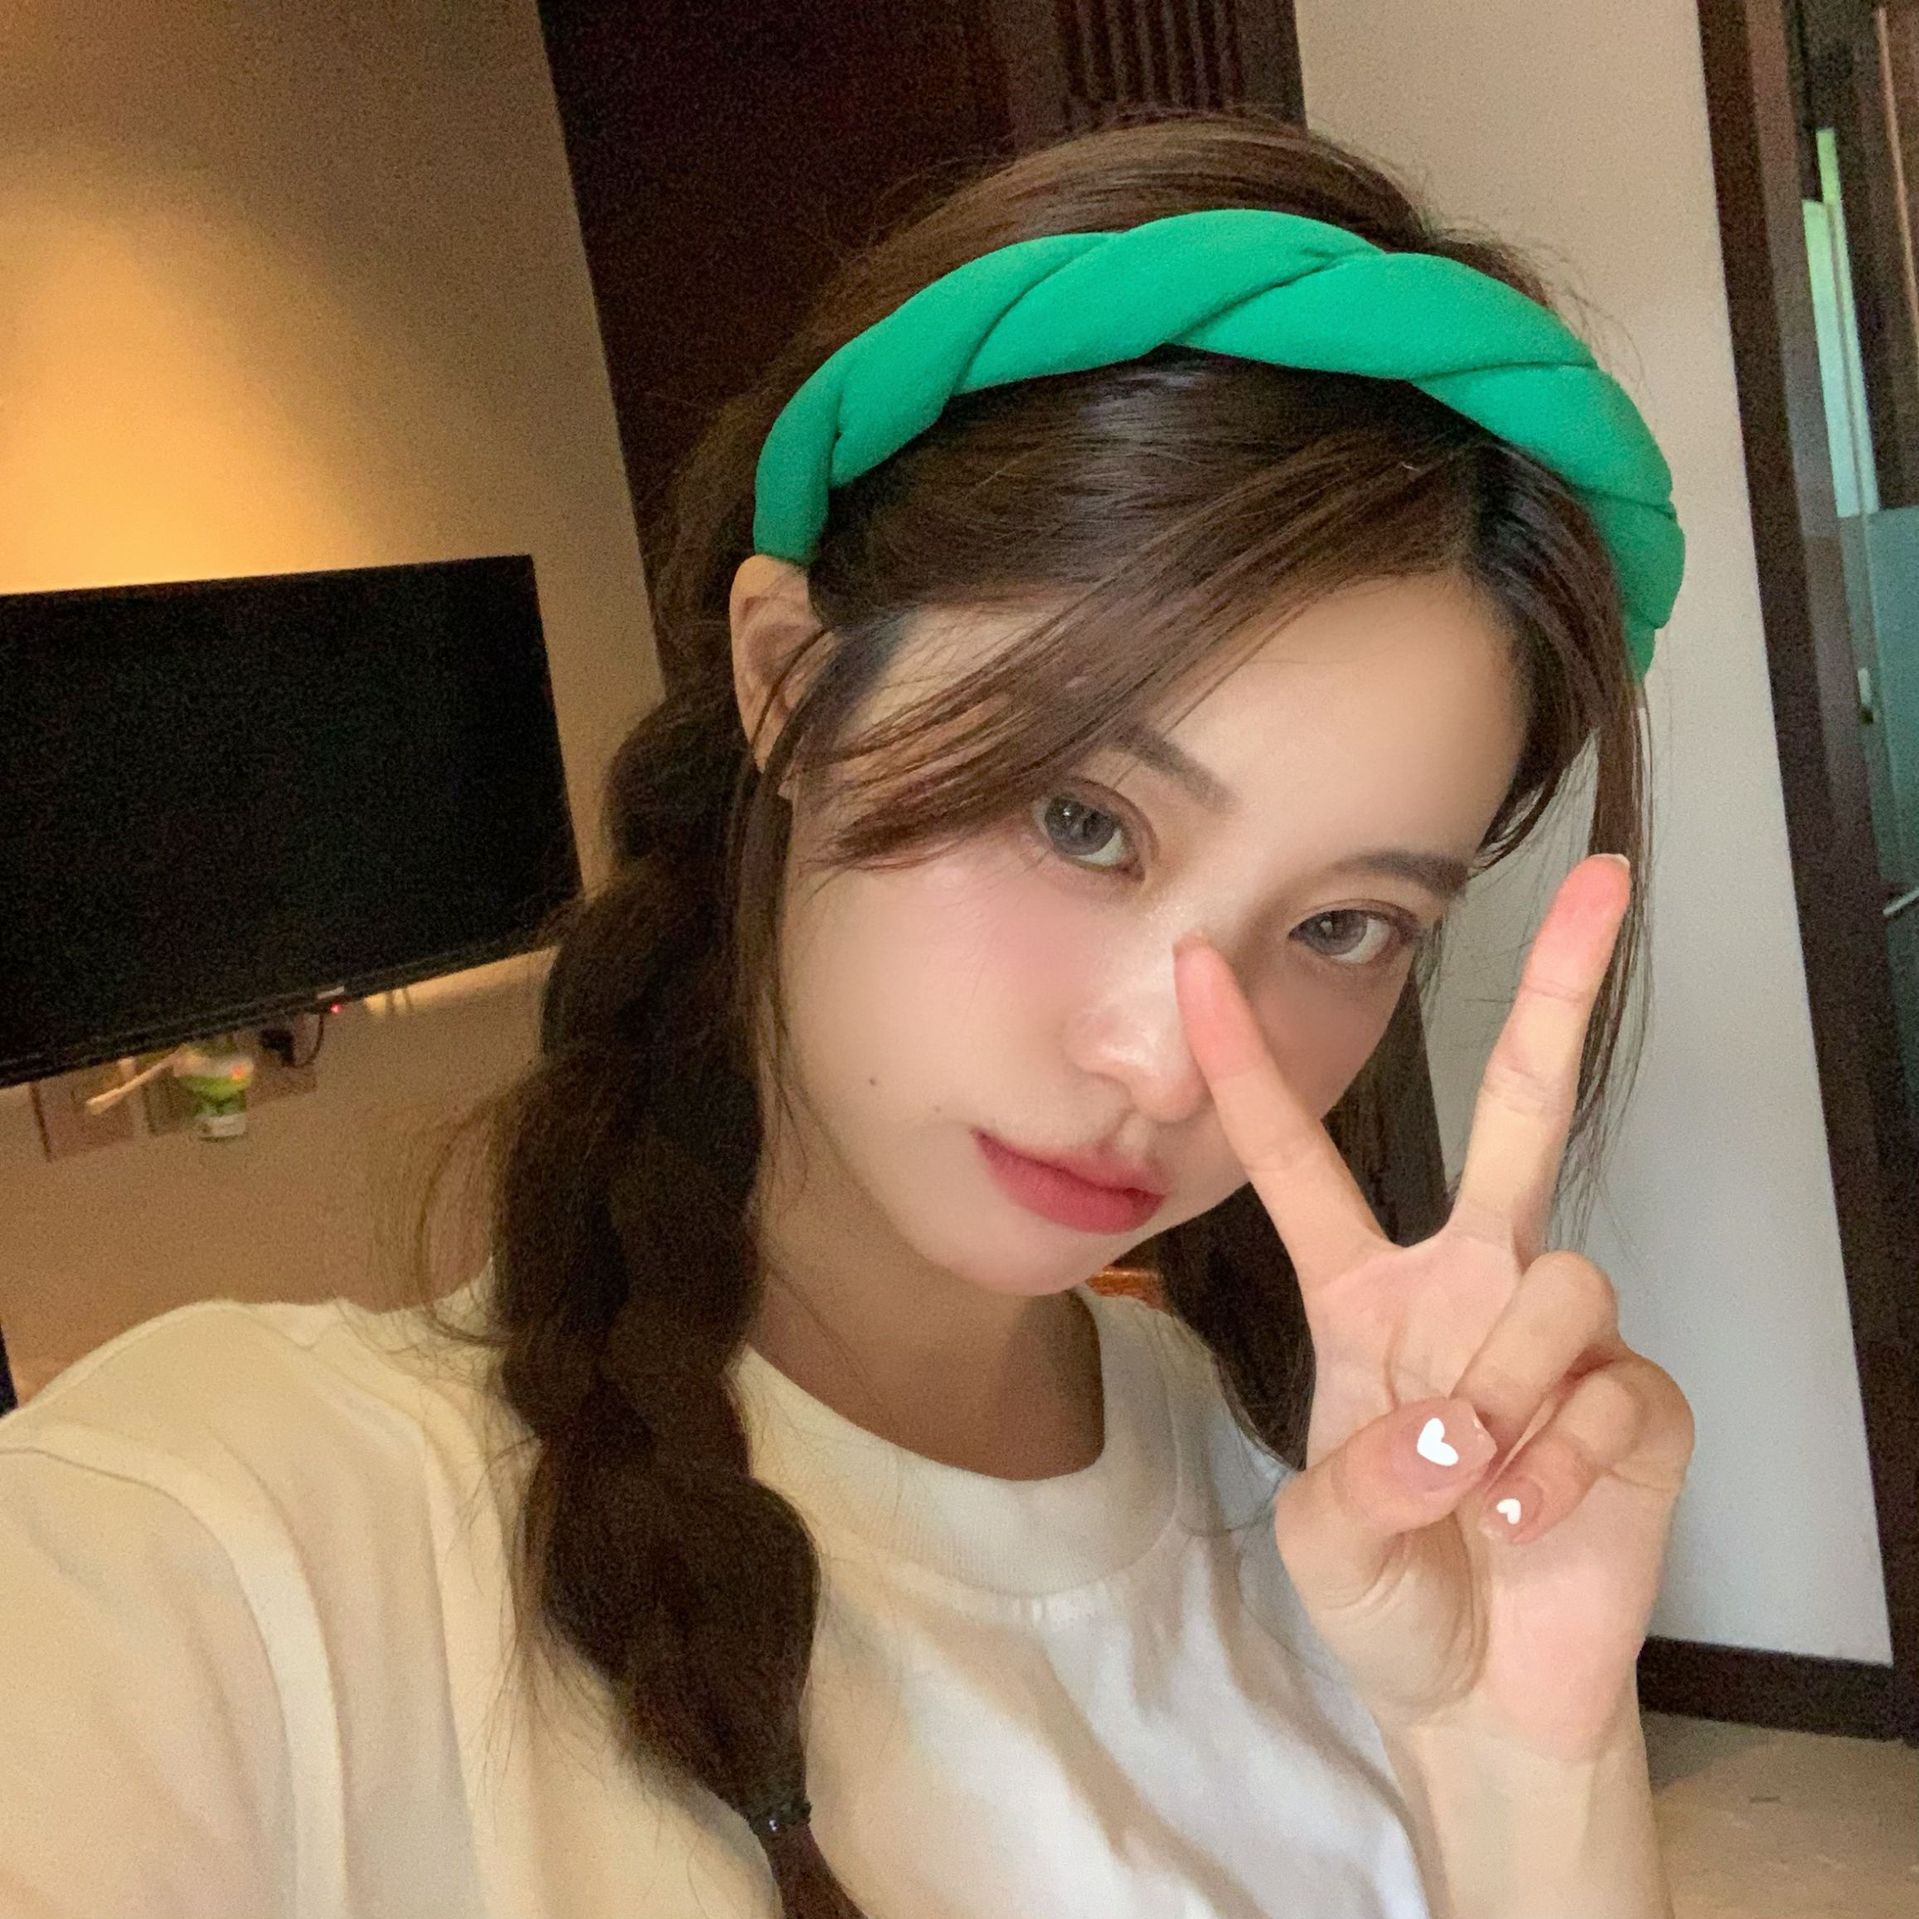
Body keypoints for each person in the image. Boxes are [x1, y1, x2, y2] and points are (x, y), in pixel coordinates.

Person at [0, 107, 1696, 1919]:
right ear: (789, 688)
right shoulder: (214, 1546)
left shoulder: (1327, 1528)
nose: (1160, 1062)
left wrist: (1536, 1774)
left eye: (1345, 924)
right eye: (1080, 820)